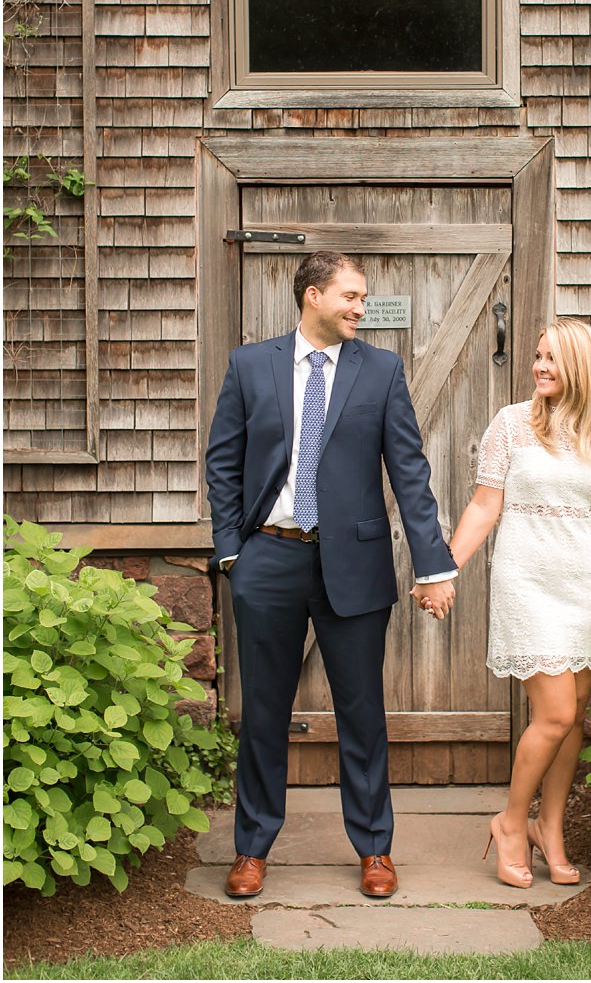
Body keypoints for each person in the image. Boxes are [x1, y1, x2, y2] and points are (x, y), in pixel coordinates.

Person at [205, 250, 457, 899]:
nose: (359, 307)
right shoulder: (250, 365)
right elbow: (223, 462)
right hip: (269, 559)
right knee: (263, 712)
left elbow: (410, 473)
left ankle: (375, 847)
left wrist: (433, 561)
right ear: (312, 294)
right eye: (350, 295)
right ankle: (252, 847)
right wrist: (233, 551)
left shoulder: (381, 371)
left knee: (362, 712)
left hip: (355, 564)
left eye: (363, 298)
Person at [417, 318, 591, 888]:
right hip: (527, 584)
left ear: (581, 367)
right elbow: (486, 506)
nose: (538, 367)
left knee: (573, 719)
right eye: (537, 356)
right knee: (555, 712)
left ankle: (549, 828)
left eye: (551, 359)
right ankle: (512, 822)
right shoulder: (510, 425)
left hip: (584, 586)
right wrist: (444, 568)